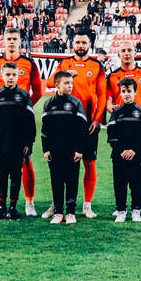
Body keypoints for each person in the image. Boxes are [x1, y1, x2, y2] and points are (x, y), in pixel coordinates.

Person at [0, 28, 45, 217]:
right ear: (3, 41)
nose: (11, 42)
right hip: (1, 123)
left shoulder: (29, 63)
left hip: (20, 123)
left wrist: (23, 106)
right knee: (0, 166)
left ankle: (29, 202)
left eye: (15, 39)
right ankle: (0, 203)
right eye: (8, 38)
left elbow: (38, 90)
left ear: (20, 41)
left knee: (26, 162)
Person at [51, 34, 106, 218]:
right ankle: (57, 204)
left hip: (88, 123)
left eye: (84, 42)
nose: (80, 45)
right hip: (65, 123)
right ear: (72, 44)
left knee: (89, 163)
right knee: (60, 164)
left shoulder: (97, 66)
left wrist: (98, 119)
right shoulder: (65, 63)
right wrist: (65, 75)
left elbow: (102, 93)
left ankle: (87, 205)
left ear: (90, 44)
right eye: (77, 42)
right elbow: (51, 82)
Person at [105, 43, 141, 217]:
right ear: (118, 54)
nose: (127, 53)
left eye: (130, 50)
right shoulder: (112, 76)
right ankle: (121, 206)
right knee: (121, 166)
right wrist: (110, 107)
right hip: (122, 128)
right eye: (123, 50)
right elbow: (108, 100)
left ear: (135, 53)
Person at [0, 61, 36, 221]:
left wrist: (28, 143)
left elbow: (30, 122)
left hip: (18, 144)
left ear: (18, 76)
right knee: (1, 174)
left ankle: (13, 208)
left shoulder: (24, 96)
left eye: (14, 74)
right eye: (7, 74)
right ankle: (2, 207)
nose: (11, 77)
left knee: (16, 175)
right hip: (1, 143)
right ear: (1, 75)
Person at [40, 70, 88, 225]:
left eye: (71, 83)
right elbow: (45, 130)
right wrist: (46, 149)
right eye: (66, 83)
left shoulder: (76, 103)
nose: (70, 86)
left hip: (72, 151)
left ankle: (71, 212)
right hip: (54, 150)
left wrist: (80, 150)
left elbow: (82, 129)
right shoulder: (48, 103)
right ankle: (58, 212)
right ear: (57, 85)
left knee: (72, 181)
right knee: (56, 181)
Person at [107, 76, 141, 223]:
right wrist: (121, 150)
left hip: (136, 156)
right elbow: (111, 134)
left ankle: (136, 210)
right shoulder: (116, 112)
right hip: (119, 155)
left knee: (136, 184)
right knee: (119, 183)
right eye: (123, 91)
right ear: (120, 93)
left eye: (129, 91)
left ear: (135, 92)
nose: (126, 94)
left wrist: (134, 150)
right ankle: (121, 211)